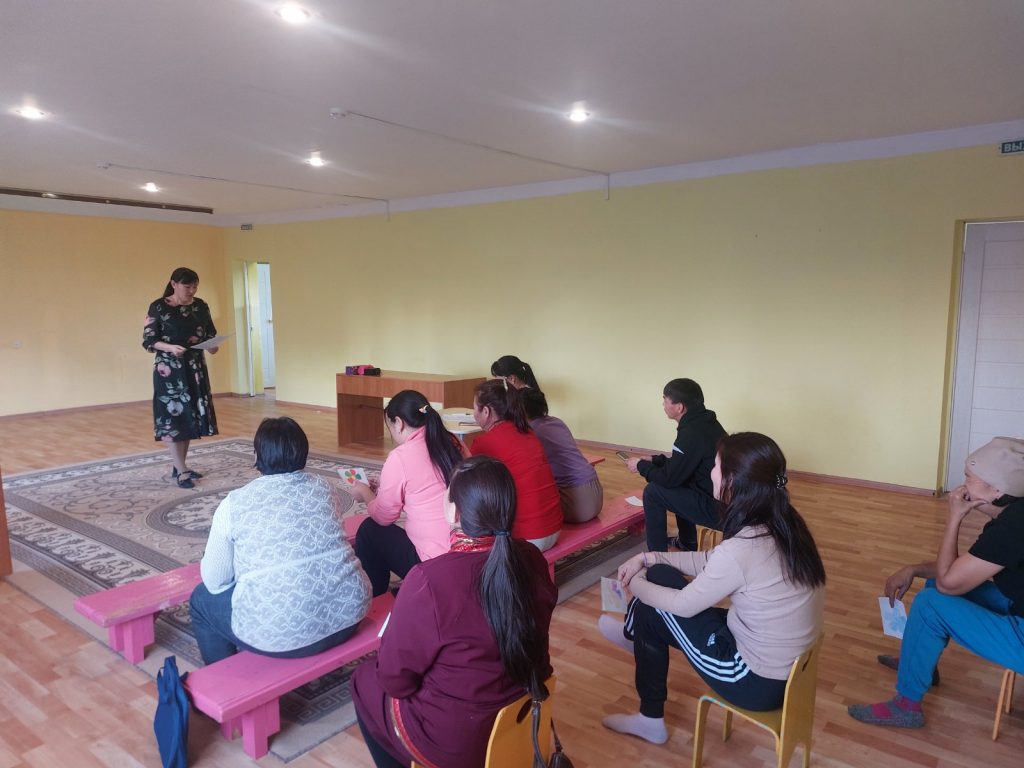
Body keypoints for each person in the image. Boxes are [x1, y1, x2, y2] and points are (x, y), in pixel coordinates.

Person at [600, 432, 826, 745]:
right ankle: (635, 639)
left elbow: (683, 605)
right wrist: (649, 558)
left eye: (716, 466)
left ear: (733, 482)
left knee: (654, 608)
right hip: (782, 665)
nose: (711, 473)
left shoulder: (744, 547)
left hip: (753, 680)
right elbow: (711, 560)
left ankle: (648, 710)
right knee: (660, 577)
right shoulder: (783, 520)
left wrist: (635, 581)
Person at [352, 456, 557, 768]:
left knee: (364, 678)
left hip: (457, 744)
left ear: (454, 511)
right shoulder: (533, 559)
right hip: (526, 715)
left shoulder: (430, 580)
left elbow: (395, 681)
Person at [848, 436, 1024, 729]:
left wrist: (954, 518)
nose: (962, 485)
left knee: (932, 602)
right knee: (933, 587)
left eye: (969, 477)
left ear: (996, 489)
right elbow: (961, 570)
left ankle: (906, 706)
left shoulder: (1012, 529)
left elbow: (949, 583)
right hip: (1017, 605)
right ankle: (920, 665)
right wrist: (914, 569)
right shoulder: (1013, 516)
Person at [189, 417, 371, 664]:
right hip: (352, 613)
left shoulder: (234, 503)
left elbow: (215, 581)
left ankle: (222, 679)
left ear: (257, 455)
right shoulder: (325, 488)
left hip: (285, 635)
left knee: (201, 600)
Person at [349, 389, 468, 596]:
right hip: (468, 554)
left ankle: (377, 598)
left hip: (434, 566)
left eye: (390, 427)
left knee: (370, 530)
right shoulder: (454, 442)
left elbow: (384, 516)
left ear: (399, 423)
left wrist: (366, 493)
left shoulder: (400, 457)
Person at [626, 378, 725, 551]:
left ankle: (657, 555)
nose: (663, 405)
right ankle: (687, 543)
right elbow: (684, 466)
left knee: (653, 492)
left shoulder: (691, 433)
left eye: (665, 400)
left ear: (679, 407)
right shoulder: (706, 423)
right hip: (725, 501)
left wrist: (640, 466)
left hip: (719, 511)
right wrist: (655, 460)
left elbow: (669, 479)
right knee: (681, 481)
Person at [142, 267, 220, 489]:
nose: (192, 290)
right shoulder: (158, 307)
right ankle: (182, 470)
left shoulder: (201, 306)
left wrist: (212, 346)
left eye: (195, 286)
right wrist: (169, 348)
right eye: (188, 286)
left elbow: (209, 334)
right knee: (173, 418)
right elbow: (149, 341)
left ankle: (180, 466)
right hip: (169, 370)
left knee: (188, 417)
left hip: (194, 368)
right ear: (174, 284)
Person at [469, 379, 562, 550]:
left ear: (486, 412)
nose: (473, 414)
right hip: (554, 528)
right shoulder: (528, 432)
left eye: (474, 408)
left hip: (527, 537)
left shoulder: (483, 443)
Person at [521, 387, 604, 524]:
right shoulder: (557, 422)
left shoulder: (532, 432)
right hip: (596, 494)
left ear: (521, 410)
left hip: (576, 504)